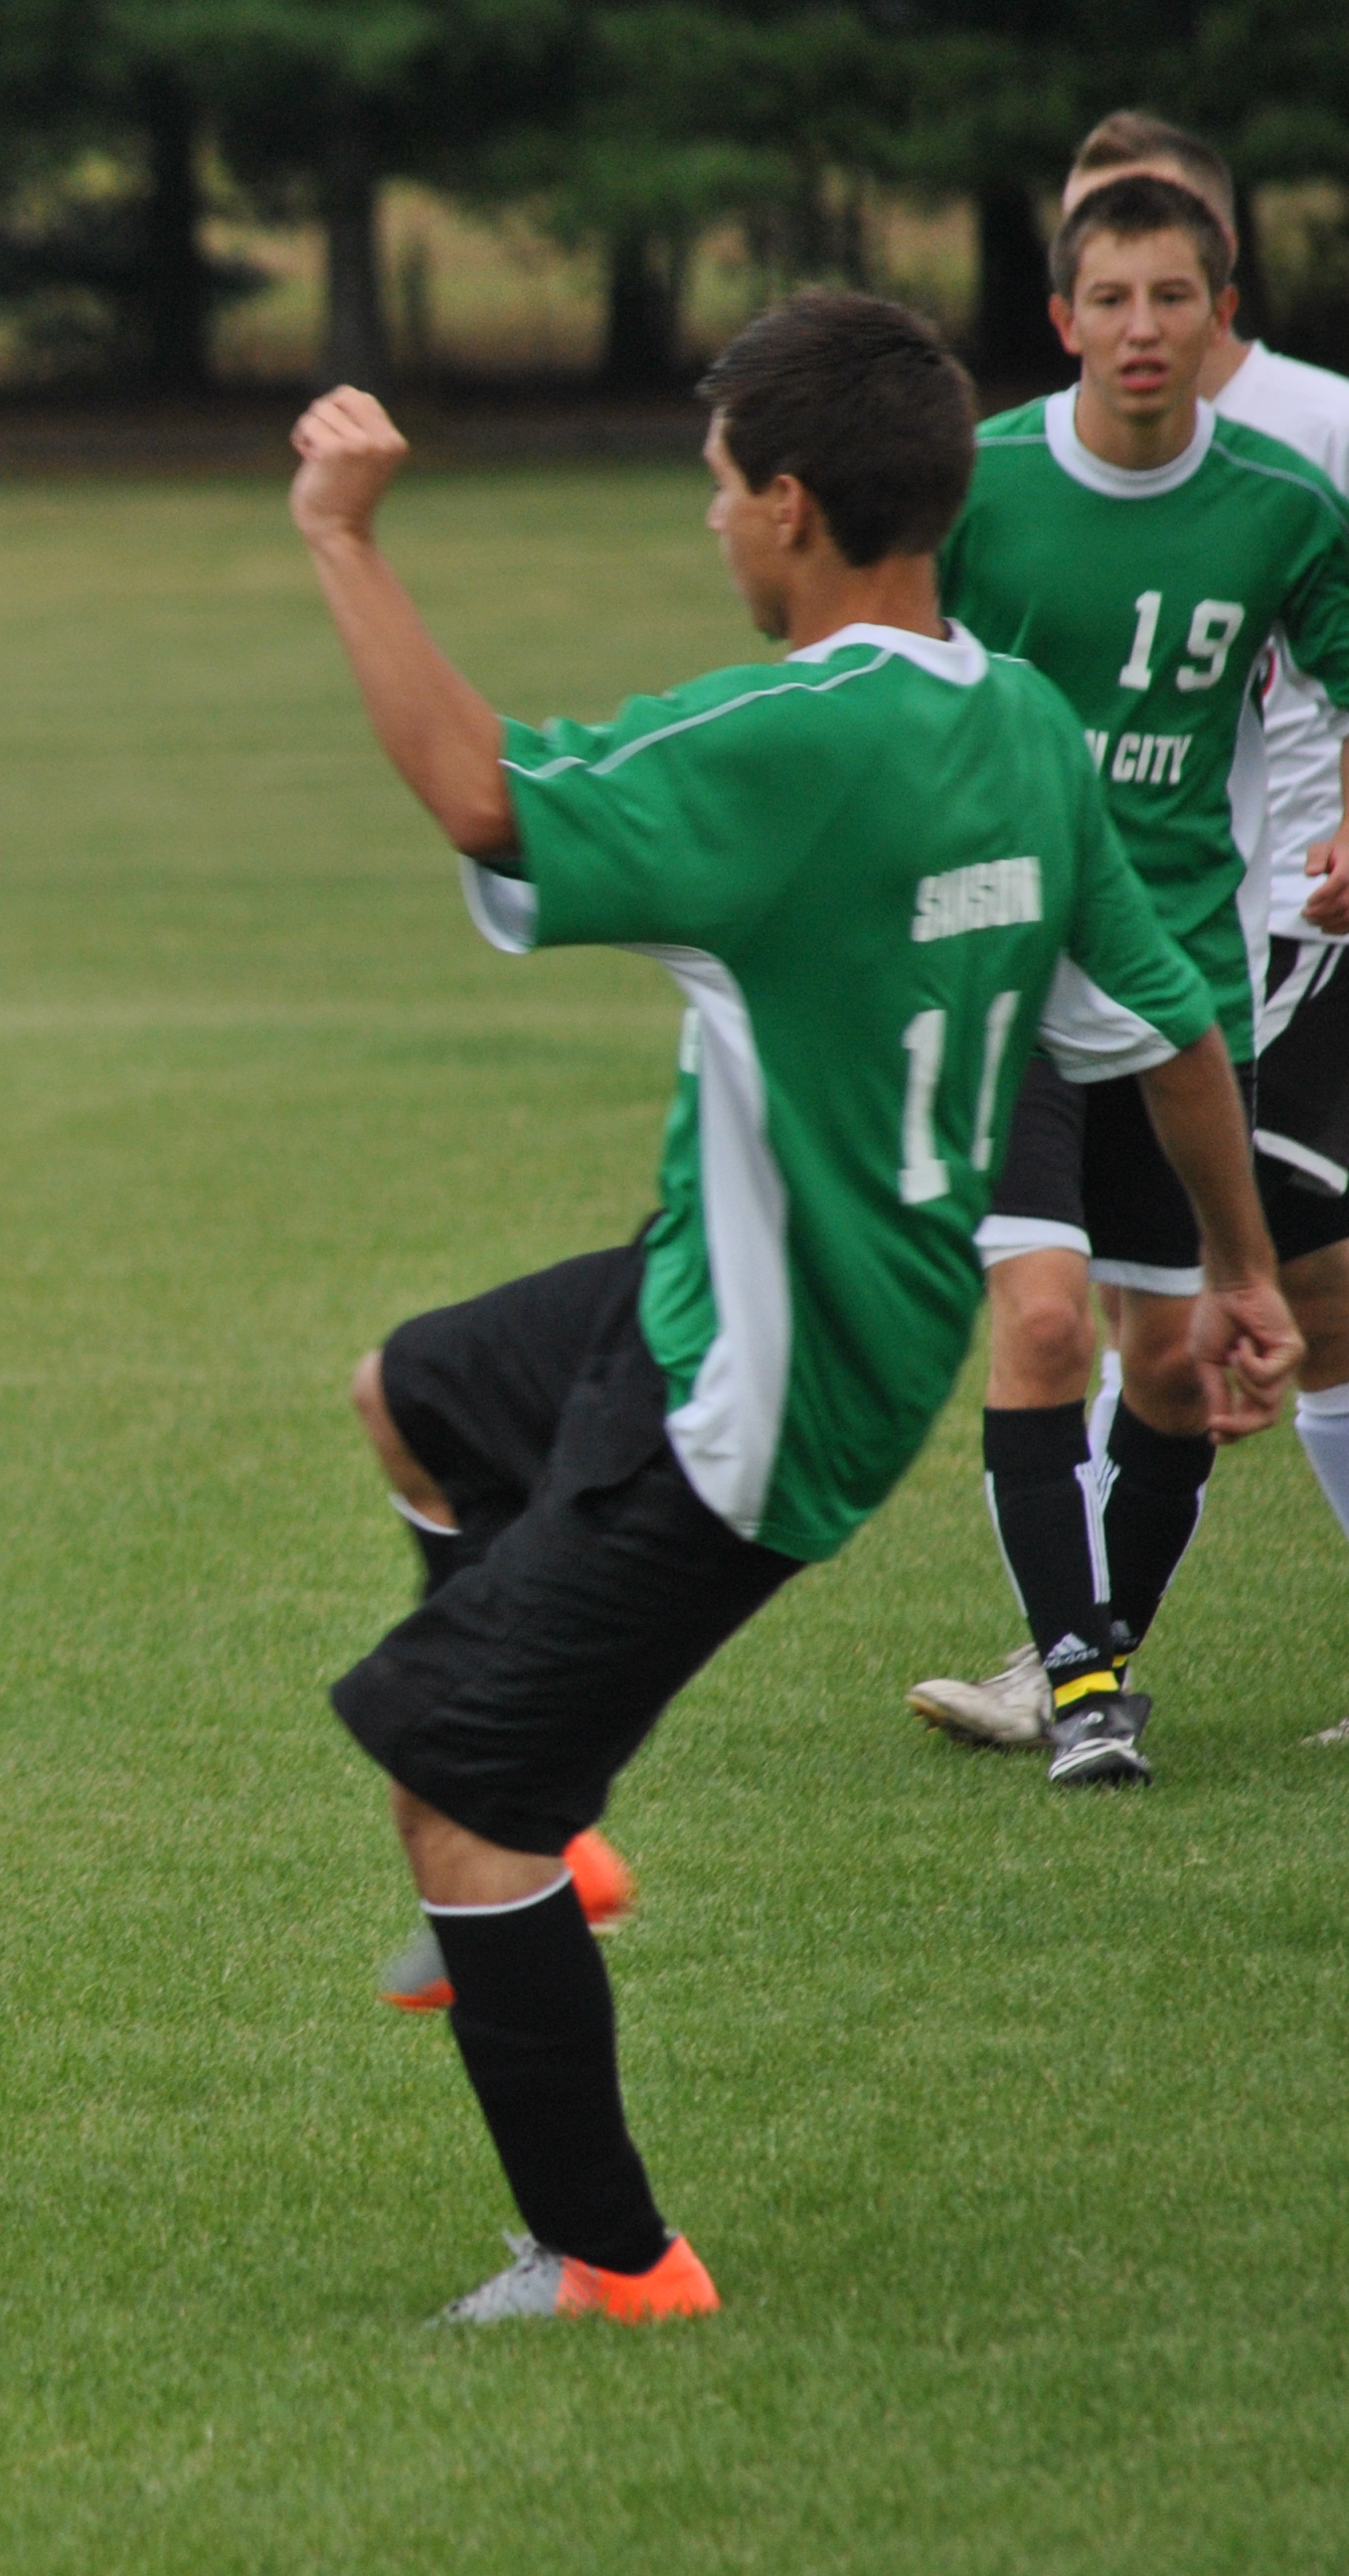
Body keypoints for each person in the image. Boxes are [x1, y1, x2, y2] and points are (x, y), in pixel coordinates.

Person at [291, 293, 1291, 2323]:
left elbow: (488, 799)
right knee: (413, 1398)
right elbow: (1164, 1023)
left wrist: (341, 539)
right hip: (736, 1305)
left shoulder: (795, 736)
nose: (714, 529)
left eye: (722, 491)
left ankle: (612, 2261)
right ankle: (554, 1840)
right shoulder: (1014, 716)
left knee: (449, 1806)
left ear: (800, 508)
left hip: (751, 1389)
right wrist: (1244, 1267)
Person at [900, 174, 1349, 1782]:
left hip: (1178, 993)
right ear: (1060, 320)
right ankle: (1084, 1694)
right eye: (1110, 300)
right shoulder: (985, 489)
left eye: (1172, 297)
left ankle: (1066, 1661)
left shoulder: (1282, 511)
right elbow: (889, 670)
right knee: (1035, 1324)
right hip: (1006, 969)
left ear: (1220, 312)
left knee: (1165, 1363)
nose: (1140, 329)